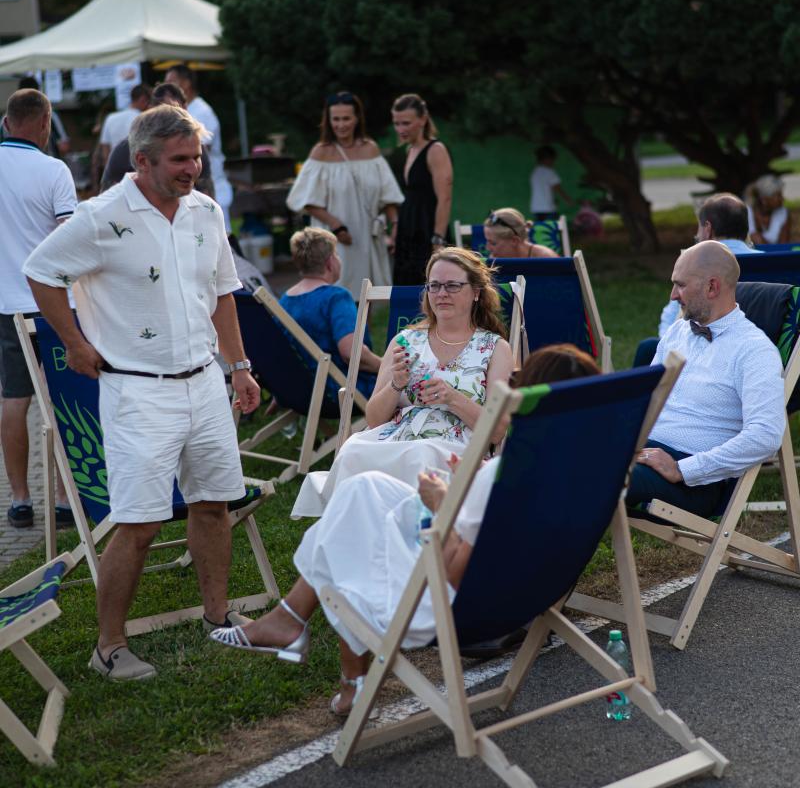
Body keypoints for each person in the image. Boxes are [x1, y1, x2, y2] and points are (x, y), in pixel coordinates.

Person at [210, 344, 600, 714]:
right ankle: (296, 627)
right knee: (363, 489)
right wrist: (469, 486)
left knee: (350, 546)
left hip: (458, 607)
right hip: (525, 592)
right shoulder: (588, 474)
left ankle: (338, 668)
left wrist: (442, 504)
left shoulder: (507, 474)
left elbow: (454, 570)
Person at [23, 105, 260, 682]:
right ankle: (108, 646)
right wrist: (75, 344)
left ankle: (217, 615)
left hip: (205, 381)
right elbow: (41, 271)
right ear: (143, 160)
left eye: (196, 157)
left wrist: (239, 367)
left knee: (214, 503)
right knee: (139, 523)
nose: (193, 168)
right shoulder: (100, 216)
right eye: (180, 159)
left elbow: (223, 294)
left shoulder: (207, 210)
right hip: (137, 392)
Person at [290, 247, 514, 517]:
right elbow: (374, 419)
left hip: (453, 444)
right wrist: (395, 384)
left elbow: (497, 431)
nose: (441, 293)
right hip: (394, 437)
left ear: (476, 292)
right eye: (434, 285)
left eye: (453, 285)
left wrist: (452, 398)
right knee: (353, 451)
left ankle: (411, 534)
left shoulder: (494, 348)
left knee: (421, 455)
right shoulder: (405, 341)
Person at [627, 240, 785, 517]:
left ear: (712, 287)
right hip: (643, 451)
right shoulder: (678, 332)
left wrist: (682, 469)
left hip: (692, 480)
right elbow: (647, 398)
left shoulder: (754, 350)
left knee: (594, 477)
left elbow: (766, 436)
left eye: (680, 285)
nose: (673, 295)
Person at [0, 89, 77, 529]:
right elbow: (70, 235)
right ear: (45, 122)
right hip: (51, 304)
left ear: (6, 122)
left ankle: (19, 500)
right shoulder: (54, 170)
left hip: (6, 306)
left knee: (14, 400)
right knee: (63, 398)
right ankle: (65, 499)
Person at [286, 91, 402, 300]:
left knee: (367, 294)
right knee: (340, 293)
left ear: (357, 118)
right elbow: (306, 200)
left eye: (346, 118)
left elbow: (388, 194)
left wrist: (395, 224)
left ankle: (364, 323)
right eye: (336, 119)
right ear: (328, 121)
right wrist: (337, 226)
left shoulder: (370, 149)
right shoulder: (321, 152)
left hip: (367, 235)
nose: (341, 125)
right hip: (334, 237)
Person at [633, 193, 758, 366]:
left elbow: (670, 321)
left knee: (648, 348)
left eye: (698, 228)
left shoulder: (695, 268)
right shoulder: (775, 265)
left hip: (698, 356)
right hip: (754, 351)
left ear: (707, 229)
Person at [280, 227, 383, 400]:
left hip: (301, 391)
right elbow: (352, 353)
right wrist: (386, 367)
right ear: (330, 262)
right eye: (336, 254)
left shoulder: (285, 301)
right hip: (340, 390)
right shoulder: (336, 298)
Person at [100, 81, 215, 197]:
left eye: (178, 113)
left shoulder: (195, 149)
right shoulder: (125, 149)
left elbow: (207, 196)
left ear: (185, 110)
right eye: (179, 159)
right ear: (150, 111)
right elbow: (107, 199)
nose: (173, 120)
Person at [391, 93, 453, 285]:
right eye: (397, 123)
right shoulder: (410, 150)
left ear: (423, 120)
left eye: (406, 123)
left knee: (429, 285)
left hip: (427, 231)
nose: (400, 129)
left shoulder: (436, 150)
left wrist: (438, 240)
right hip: (409, 229)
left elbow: (444, 198)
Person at [165, 65, 233, 229]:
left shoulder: (201, 111)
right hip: (192, 189)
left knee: (218, 236)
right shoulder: (182, 112)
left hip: (210, 188)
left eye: (171, 81)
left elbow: (201, 153)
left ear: (186, 83)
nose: (166, 87)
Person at [97, 84, 152, 169]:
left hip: (115, 168)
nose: (149, 106)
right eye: (148, 102)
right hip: (137, 169)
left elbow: (105, 146)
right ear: (143, 100)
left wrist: (108, 169)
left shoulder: (110, 118)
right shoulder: (144, 119)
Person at [482, 207, 558, 259]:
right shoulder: (495, 260)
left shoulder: (546, 258)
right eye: (487, 241)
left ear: (514, 240)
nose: (487, 248)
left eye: (493, 243)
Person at [746, 174, 790, 245]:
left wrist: (762, 242)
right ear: (764, 199)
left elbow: (784, 245)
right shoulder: (745, 212)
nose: (782, 199)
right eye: (778, 196)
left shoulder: (783, 213)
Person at [529, 145, 571, 219]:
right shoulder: (549, 172)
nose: (553, 162)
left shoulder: (535, 172)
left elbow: (543, 189)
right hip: (548, 208)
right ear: (547, 159)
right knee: (552, 225)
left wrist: (552, 199)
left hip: (536, 208)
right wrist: (568, 200)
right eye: (553, 160)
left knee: (541, 226)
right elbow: (557, 188)